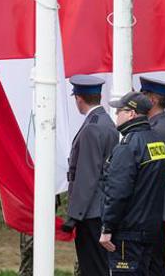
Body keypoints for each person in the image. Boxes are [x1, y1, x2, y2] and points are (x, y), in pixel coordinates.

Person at [100, 92, 165, 275]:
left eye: (119, 111)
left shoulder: (128, 147)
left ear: (131, 114)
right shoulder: (158, 142)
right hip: (149, 229)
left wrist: (107, 227)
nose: (116, 115)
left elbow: (117, 192)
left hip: (127, 232)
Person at [62, 75, 119, 276]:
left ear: (79, 98)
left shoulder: (92, 128)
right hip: (102, 206)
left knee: (92, 267)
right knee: (100, 265)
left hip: (91, 211)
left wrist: (73, 215)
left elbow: (87, 176)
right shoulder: (107, 122)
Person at [139, 76, 165, 276]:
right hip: (151, 204)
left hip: (154, 203)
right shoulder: (155, 125)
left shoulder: (160, 128)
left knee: (155, 263)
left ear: (152, 100)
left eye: (143, 95)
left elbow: (151, 170)